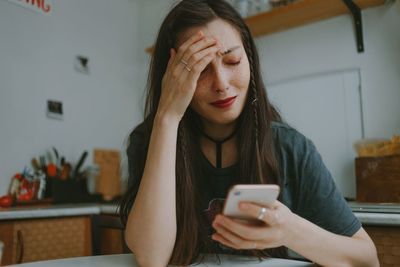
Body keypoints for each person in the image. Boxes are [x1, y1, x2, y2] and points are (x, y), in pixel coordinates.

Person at [119, 0, 379, 266]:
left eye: (232, 60)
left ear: (250, 61)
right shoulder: (148, 140)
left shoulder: (290, 147)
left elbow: (367, 260)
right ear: (171, 76)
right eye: (200, 69)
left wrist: (288, 229)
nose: (221, 84)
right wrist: (167, 116)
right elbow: (152, 259)